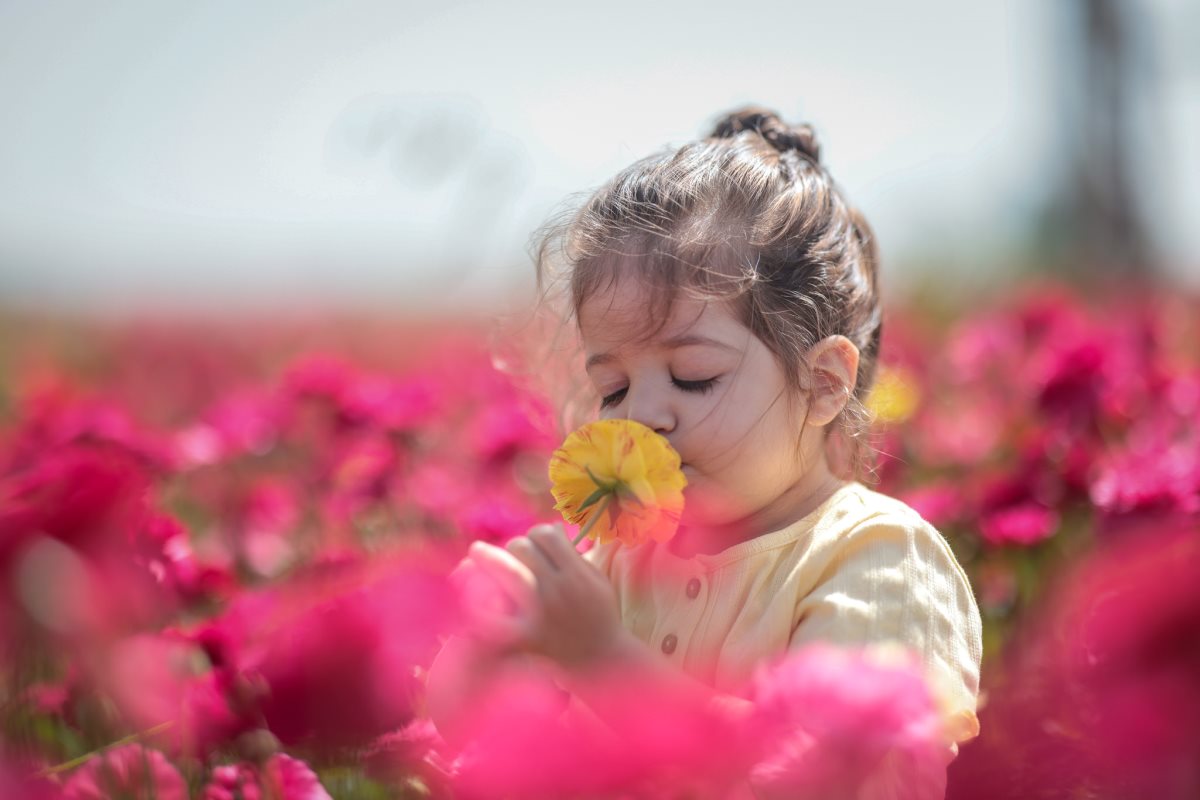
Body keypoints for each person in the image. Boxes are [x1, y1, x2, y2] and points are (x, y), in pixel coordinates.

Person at [428, 107, 983, 795]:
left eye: (693, 377)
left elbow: (823, 777)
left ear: (822, 382)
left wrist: (605, 661)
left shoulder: (876, 558)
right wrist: (486, 647)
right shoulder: (621, 564)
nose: (642, 416)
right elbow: (480, 737)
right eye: (613, 388)